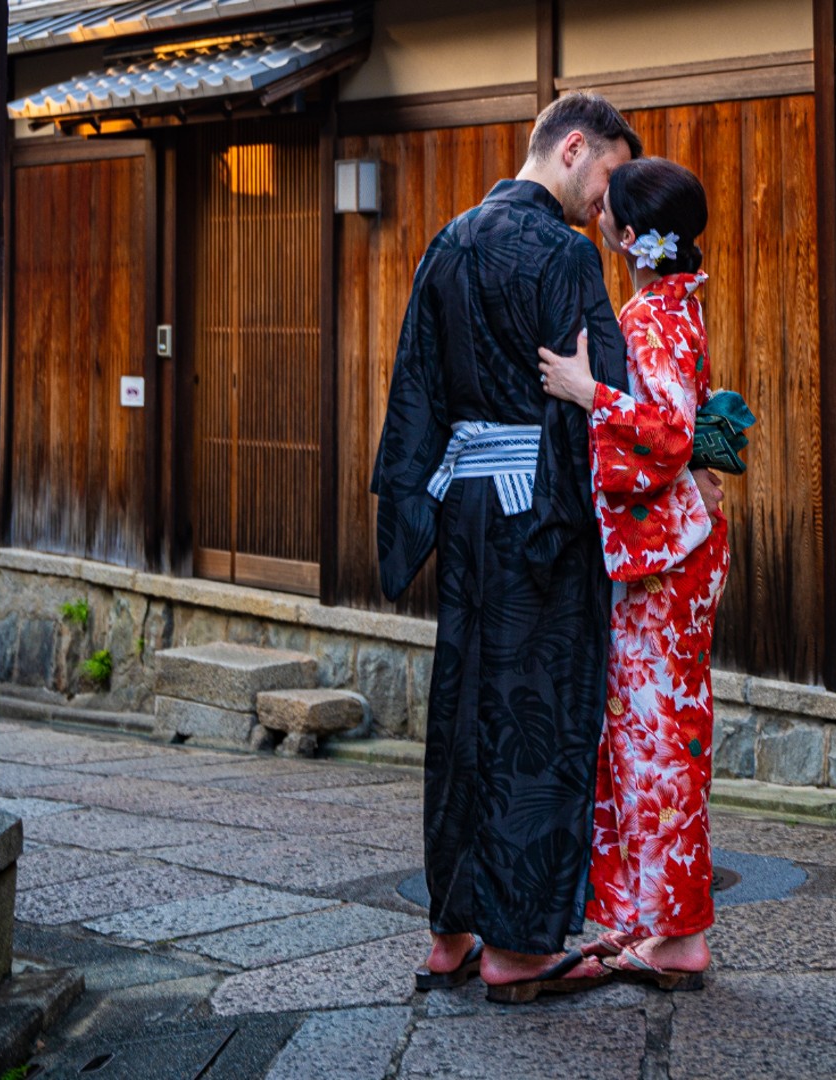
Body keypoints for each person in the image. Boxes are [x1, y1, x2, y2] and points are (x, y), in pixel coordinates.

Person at [370, 92, 643, 1003]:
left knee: (462, 714)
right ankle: (518, 950)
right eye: (606, 180)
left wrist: (415, 511)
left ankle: (450, 932)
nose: (607, 209)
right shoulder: (563, 254)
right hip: (544, 519)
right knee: (538, 719)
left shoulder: (448, 241)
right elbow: (605, 388)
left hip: (468, 506)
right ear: (573, 148)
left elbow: (416, 385)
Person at [537, 157, 730, 989]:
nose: (598, 218)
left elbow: (666, 431)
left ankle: (678, 936)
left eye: (607, 211)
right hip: (680, 549)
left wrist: (586, 393)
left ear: (626, 233)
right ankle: (654, 923)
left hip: (665, 561)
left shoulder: (651, 317)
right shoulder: (674, 304)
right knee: (659, 734)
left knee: (657, 742)